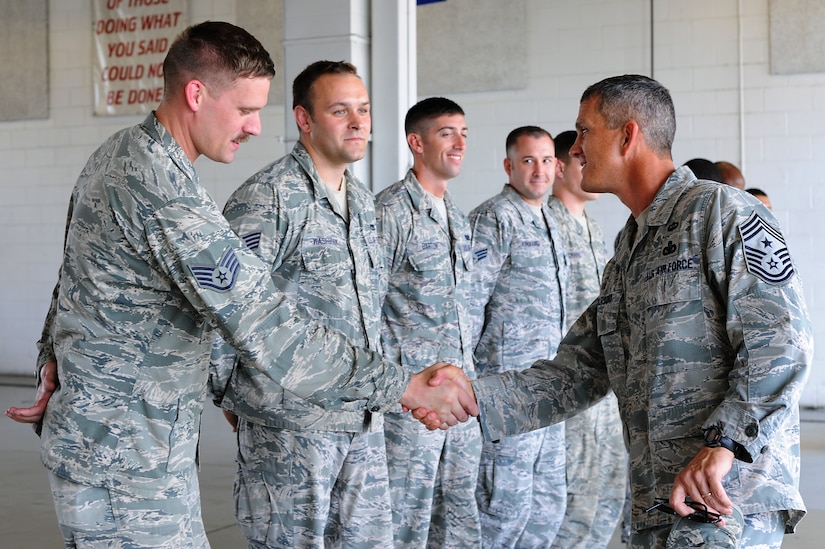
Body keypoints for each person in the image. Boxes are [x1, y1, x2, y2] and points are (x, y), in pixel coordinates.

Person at [5, 22, 477, 548]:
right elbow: (264, 322)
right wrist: (403, 386)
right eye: (246, 110)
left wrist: (52, 358)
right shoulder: (160, 187)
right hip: (125, 455)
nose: (254, 127)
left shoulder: (128, 156)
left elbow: (73, 277)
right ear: (196, 93)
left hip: (136, 444)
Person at [420, 74, 812, 549]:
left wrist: (724, 445)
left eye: (584, 131)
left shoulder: (722, 213)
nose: (575, 149)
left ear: (627, 136)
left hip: (725, 503)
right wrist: (471, 397)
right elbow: (579, 370)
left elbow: (782, 342)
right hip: (657, 503)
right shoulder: (631, 248)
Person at [209, 60, 394, 548]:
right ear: (304, 120)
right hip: (290, 426)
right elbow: (223, 308)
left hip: (361, 418)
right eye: (340, 110)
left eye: (364, 109)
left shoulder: (366, 203)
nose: (358, 122)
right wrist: (232, 392)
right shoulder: (268, 199)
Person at [375, 97, 483, 548]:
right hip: (411, 408)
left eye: (463, 134)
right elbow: (363, 307)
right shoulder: (390, 212)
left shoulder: (458, 216)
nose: (459, 144)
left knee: (457, 522)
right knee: (405, 522)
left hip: (458, 400)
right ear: (416, 142)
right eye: (446, 133)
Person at [468, 125, 569, 547]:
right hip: (508, 392)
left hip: (550, 388)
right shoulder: (494, 218)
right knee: (502, 510)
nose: (539, 170)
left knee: (547, 506)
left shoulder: (552, 218)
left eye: (546, 160)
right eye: (528, 160)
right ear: (509, 166)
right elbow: (469, 303)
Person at [546, 130, 626, 549]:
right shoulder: (547, 226)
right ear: (560, 168)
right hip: (568, 382)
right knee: (570, 500)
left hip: (603, 390)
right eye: (579, 160)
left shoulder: (595, 230)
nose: (588, 167)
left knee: (608, 494)